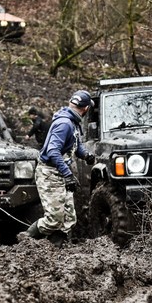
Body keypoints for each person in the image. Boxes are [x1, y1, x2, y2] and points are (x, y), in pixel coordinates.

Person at [25, 90, 95, 246]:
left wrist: (86, 155)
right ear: (86, 109)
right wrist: (68, 174)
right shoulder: (64, 124)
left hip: (61, 173)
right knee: (53, 220)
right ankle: (25, 240)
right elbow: (52, 150)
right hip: (50, 174)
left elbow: (76, 145)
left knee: (69, 219)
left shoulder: (74, 122)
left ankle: (56, 250)